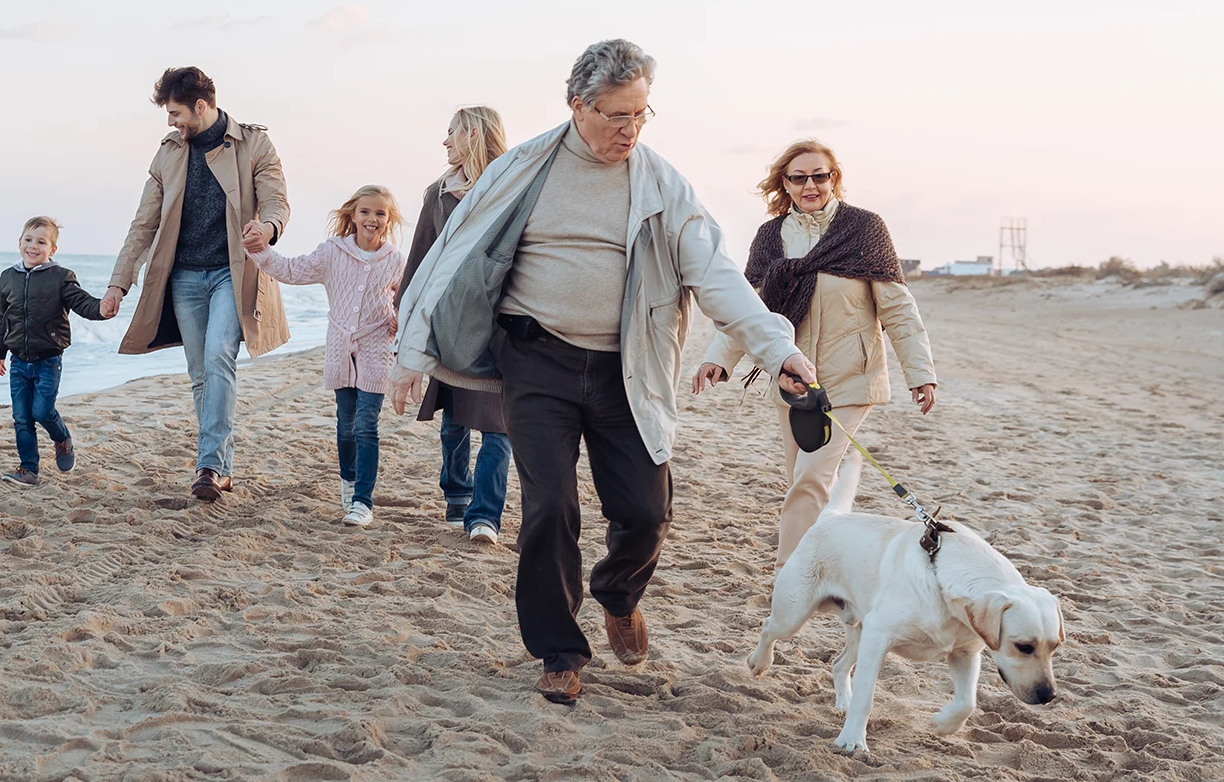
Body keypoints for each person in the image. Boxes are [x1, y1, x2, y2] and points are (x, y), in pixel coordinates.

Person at [392, 39, 819, 705]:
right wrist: (410, 358)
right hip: (535, 357)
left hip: (628, 366)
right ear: (577, 106)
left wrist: (777, 351)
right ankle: (559, 650)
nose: (630, 130)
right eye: (617, 116)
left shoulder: (661, 183)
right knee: (550, 506)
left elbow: (716, 276)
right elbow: (451, 254)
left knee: (646, 513)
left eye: (642, 115)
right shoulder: (523, 169)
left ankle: (617, 593)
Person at [691, 139, 937, 564]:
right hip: (793, 380)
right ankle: (829, 564)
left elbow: (897, 308)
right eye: (798, 177)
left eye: (819, 176)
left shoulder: (862, 230)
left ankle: (791, 574)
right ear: (783, 184)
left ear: (833, 179)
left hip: (851, 378)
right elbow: (750, 311)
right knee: (802, 482)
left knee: (809, 479)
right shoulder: (771, 238)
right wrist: (719, 358)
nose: (810, 185)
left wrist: (921, 372)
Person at [103, 67, 291, 502]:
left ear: (200, 107)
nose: (171, 122)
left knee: (218, 355)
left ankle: (206, 466)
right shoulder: (167, 152)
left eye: (175, 113)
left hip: (233, 270)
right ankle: (220, 468)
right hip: (183, 276)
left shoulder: (253, 143)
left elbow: (277, 197)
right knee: (200, 374)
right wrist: (119, 284)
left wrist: (268, 226)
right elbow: (143, 223)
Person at [247, 185, 406, 527]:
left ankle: (363, 501)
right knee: (346, 426)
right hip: (339, 349)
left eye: (380, 213)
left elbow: (405, 300)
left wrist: (397, 325)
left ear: (389, 220)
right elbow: (292, 270)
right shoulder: (333, 251)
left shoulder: (394, 259)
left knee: (366, 426)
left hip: (377, 349)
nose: (372, 219)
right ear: (352, 214)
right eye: (365, 211)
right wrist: (260, 251)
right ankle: (348, 483)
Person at [394, 107, 513, 545]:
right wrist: (404, 312)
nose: (444, 143)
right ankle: (457, 495)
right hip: (449, 323)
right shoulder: (439, 193)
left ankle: (486, 515)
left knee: (499, 422)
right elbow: (421, 256)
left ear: (475, 135)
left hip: (503, 324)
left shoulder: (510, 187)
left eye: (451, 134)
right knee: (454, 420)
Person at [0, 216, 111, 486]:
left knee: (42, 412)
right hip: (18, 361)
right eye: (28, 240)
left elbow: (82, 303)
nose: (33, 246)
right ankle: (28, 470)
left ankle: (62, 440)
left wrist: (102, 309)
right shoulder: (7, 278)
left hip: (48, 359)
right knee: (21, 417)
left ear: (52, 250)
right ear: (19, 242)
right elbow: (3, 318)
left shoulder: (61, 277)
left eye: (41, 242)